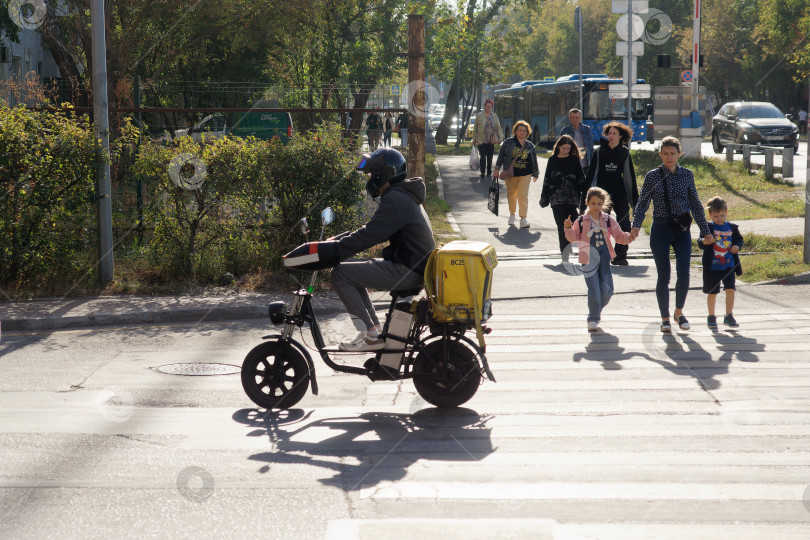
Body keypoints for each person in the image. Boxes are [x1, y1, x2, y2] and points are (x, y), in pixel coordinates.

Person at [327, 148, 435, 351]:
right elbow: (374, 228)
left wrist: (333, 252)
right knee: (349, 268)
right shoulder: (402, 194)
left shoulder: (395, 198)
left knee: (339, 274)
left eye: (370, 174)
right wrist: (339, 243)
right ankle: (372, 331)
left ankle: (370, 335)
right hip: (413, 266)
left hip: (408, 270)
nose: (369, 179)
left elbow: (370, 234)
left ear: (381, 174)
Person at [630, 136, 713, 333]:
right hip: (660, 229)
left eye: (673, 154)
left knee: (684, 273)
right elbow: (642, 203)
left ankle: (678, 312)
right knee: (664, 275)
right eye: (665, 154)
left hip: (682, 230)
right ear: (660, 154)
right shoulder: (652, 176)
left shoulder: (687, 175)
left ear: (679, 154)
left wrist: (705, 230)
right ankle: (665, 318)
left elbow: (695, 203)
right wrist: (636, 226)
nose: (669, 157)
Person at [564, 187, 633, 332]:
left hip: (604, 257)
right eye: (593, 203)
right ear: (587, 203)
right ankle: (593, 318)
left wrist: (630, 236)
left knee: (608, 291)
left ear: (603, 204)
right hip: (588, 259)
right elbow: (573, 238)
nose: (596, 207)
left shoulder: (608, 220)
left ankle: (595, 310)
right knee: (594, 290)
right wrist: (567, 228)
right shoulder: (581, 221)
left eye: (599, 204)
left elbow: (619, 236)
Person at [585, 121, 638, 266]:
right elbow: (592, 175)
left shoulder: (624, 153)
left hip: (620, 194)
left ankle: (620, 256)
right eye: (609, 133)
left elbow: (629, 178)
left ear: (621, 136)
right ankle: (600, 256)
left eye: (614, 133)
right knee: (599, 225)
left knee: (624, 225)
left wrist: (635, 202)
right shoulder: (599, 151)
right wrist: (588, 196)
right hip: (602, 196)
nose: (611, 136)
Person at [698, 196, 743, 329]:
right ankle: (711, 316)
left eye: (722, 215)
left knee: (730, 289)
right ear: (710, 214)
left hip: (728, 265)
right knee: (712, 292)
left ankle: (728, 315)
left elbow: (739, 240)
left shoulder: (732, 227)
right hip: (712, 267)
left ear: (726, 213)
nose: (719, 219)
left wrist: (737, 246)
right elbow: (700, 241)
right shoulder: (708, 227)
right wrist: (705, 241)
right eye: (716, 216)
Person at [539, 134, 587, 253]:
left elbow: (581, 179)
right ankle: (565, 252)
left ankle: (576, 246)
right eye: (564, 148)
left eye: (568, 149)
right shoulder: (552, 160)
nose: (566, 151)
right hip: (556, 197)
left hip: (571, 198)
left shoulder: (574, 160)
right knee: (561, 225)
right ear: (558, 147)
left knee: (574, 224)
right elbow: (547, 179)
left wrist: (584, 199)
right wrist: (544, 197)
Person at [494, 120, 540, 228]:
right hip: (511, 174)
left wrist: (536, 173)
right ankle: (512, 215)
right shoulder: (508, 142)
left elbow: (534, 159)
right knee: (511, 195)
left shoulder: (529, 144)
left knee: (523, 196)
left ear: (527, 132)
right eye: (520, 130)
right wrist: (497, 169)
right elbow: (501, 156)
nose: (522, 132)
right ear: (515, 131)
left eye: (524, 130)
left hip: (526, 174)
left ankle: (523, 218)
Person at [472, 99, 504, 179]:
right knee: (483, 156)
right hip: (481, 139)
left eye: (490, 106)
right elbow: (475, 127)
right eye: (487, 106)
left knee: (490, 156)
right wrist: (474, 138)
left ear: (492, 107)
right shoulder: (479, 115)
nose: (488, 108)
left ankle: (489, 170)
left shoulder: (494, 116)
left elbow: (498, 127)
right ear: (484, 106)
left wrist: (500, 138)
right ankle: (482, 172)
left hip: (491, 139)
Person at [560, 108, 594, 178]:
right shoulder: (564, 131)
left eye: (577, 117)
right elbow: (561, 150)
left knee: (585, 187)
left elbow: (591, 148)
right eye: (573, 118)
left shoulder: (587, 130)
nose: (575, 120)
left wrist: (593, 164)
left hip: (585, 166)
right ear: (569, 118)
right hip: (570, 166)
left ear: (581, 118)